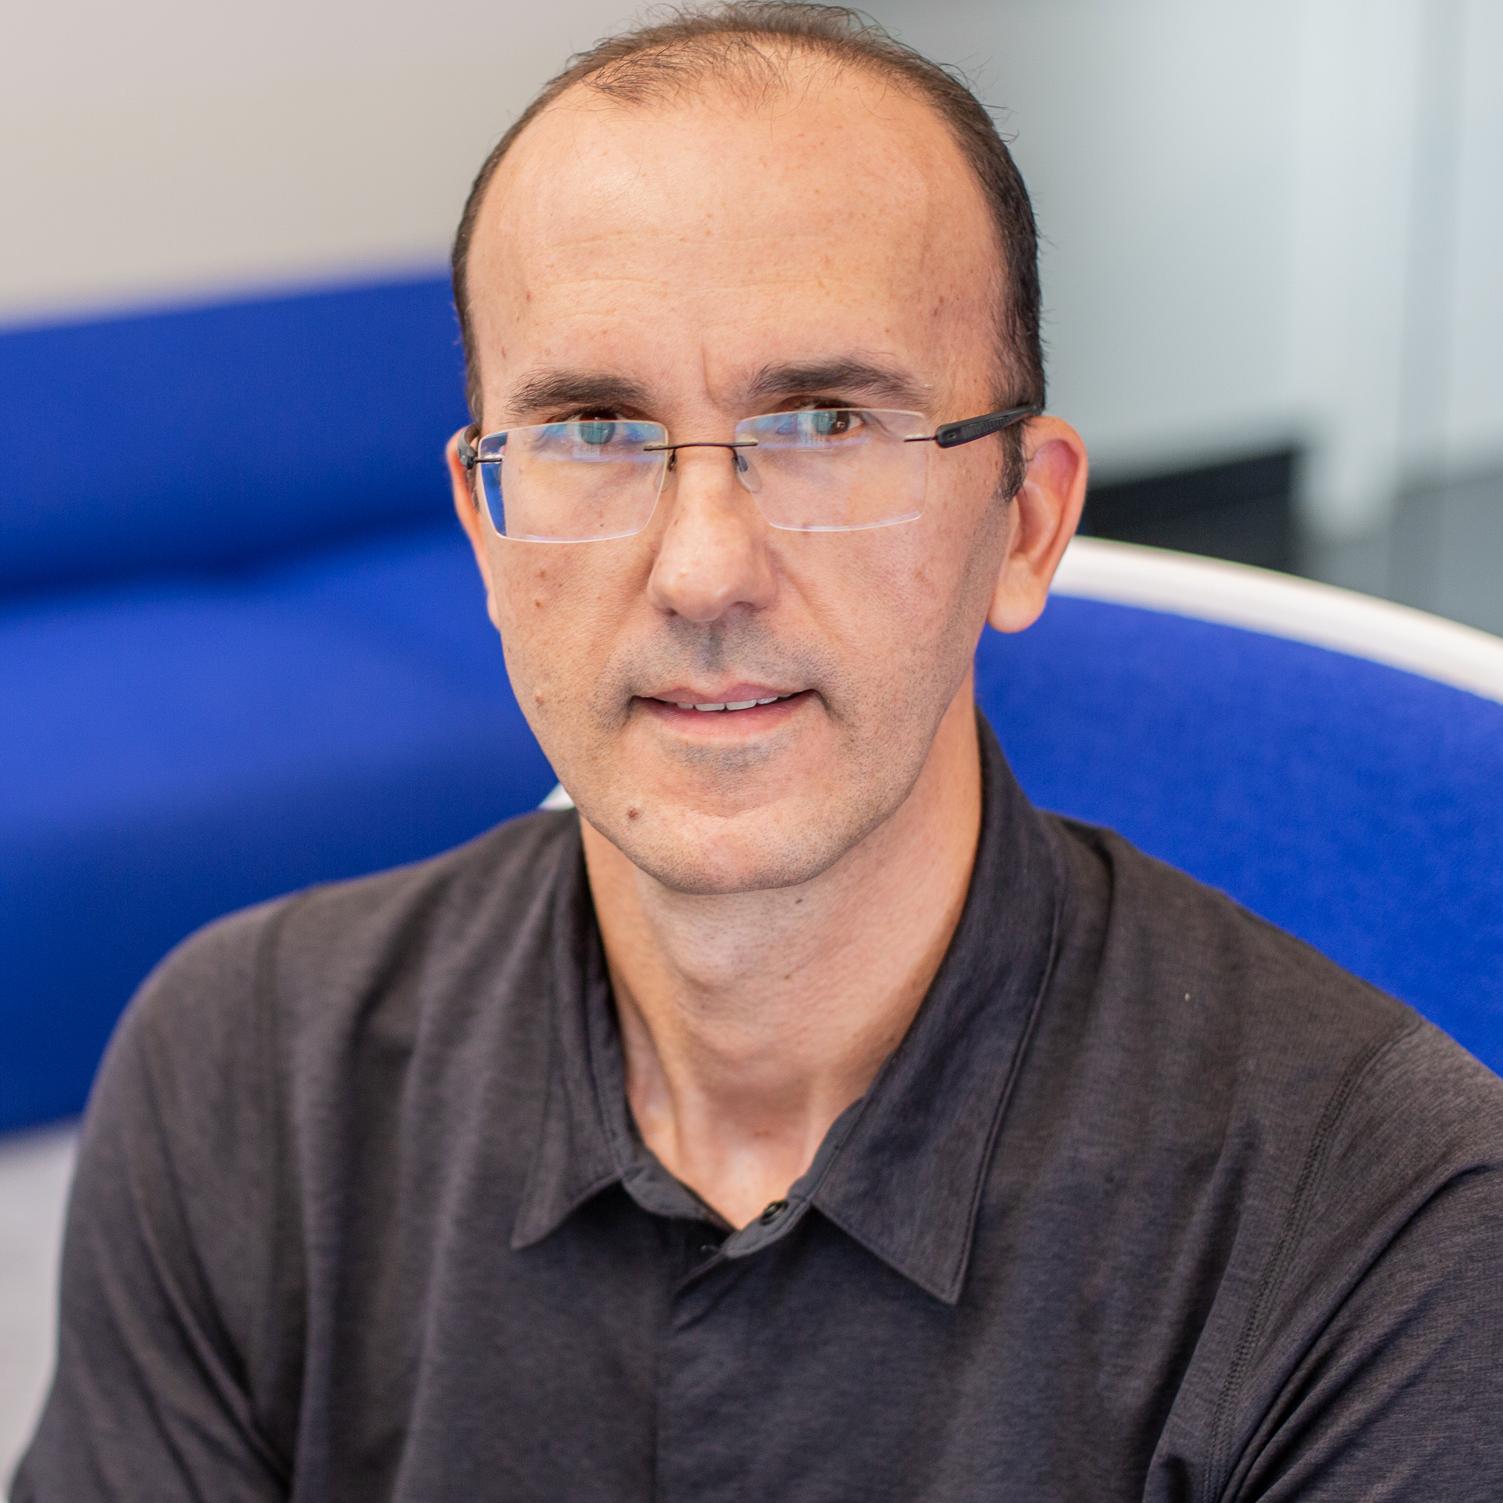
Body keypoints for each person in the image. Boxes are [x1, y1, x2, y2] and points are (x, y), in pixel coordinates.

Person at [13, 4, 1503, 1499]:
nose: (703, 571)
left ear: (1028, 523)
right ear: (485, 526)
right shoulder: (245, 1077)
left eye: (824, 421)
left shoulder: (1385, 1229)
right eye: (595, 429)